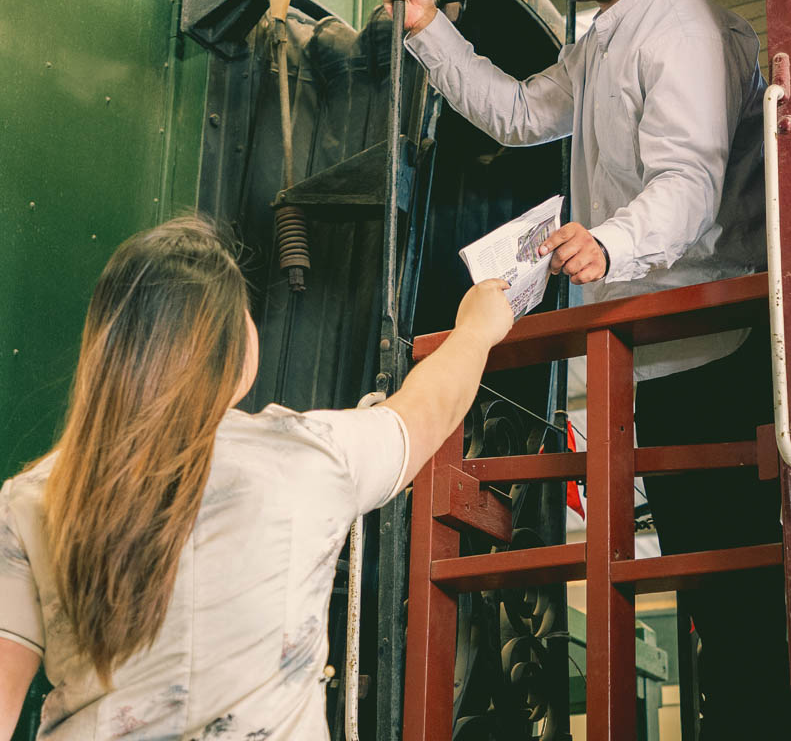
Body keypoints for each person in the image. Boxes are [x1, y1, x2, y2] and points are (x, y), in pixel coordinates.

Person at [383, 0, 789, 738]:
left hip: (700, 357)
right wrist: (425, 29)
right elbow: (523, 112)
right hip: (653, 356)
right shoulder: (609, 38)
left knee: (732, 607)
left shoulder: (677, 32)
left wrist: (606, 245)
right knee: (709, 599)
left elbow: (687, 181)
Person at [0, 215, 512, 741]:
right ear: (236, 346)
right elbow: (423, 412)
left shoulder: (33, 499)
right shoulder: (309, 458)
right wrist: (477, 329)